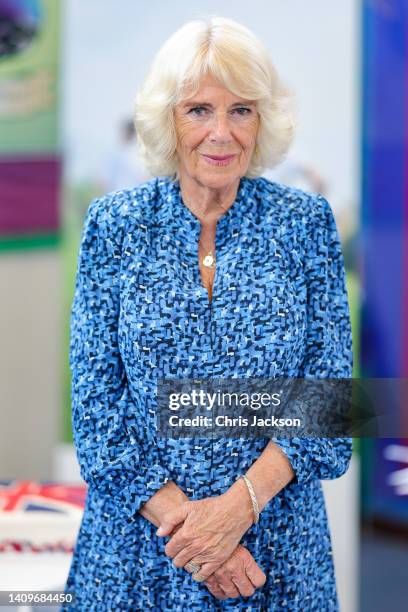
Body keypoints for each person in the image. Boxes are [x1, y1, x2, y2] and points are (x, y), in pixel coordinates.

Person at [62, 16, 353, 611]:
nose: (221, 133)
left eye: (241, 110)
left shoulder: (306, 225)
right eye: (199, 110)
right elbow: (96, 407)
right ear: (168, 119)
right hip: (139, 552)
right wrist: (198, 536)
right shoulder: (115, 226)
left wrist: (237, 508)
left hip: (276, 552)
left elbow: (332, 400)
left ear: (263, 119)